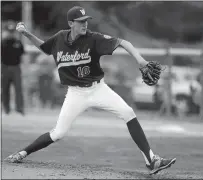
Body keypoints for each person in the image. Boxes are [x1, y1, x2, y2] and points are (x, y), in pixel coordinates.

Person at [5, 6, 176, 175]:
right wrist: (26, 33)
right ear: (71, 23)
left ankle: (151, 160)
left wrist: (140, 60)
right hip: (75, 94)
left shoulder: (93, 39)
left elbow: (123, 42)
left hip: (98, 89)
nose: (85, 24)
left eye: (86, 21)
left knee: (128, 112)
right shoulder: (59, 38)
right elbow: (44, 48)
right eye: (80, 22)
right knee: (58, 133)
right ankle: (22, 153)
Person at [1, 21, 25, 115]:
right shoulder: (2, 43)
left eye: (12, 31)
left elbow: (22, 54)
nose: (11, 33)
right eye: (9, 31)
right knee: (5, 89)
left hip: (16, 67)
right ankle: (6, 109)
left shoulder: (18, 42)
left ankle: (19, 108)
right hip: (5, 67)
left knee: (18, 89)